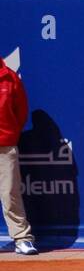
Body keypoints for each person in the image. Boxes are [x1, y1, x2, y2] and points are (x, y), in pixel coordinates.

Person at [0, 55, 37, 256]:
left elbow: (21, 111)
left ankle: (22, 239)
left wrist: (10, 134)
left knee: (9, 193)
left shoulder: (10, 78)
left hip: (4, 145)